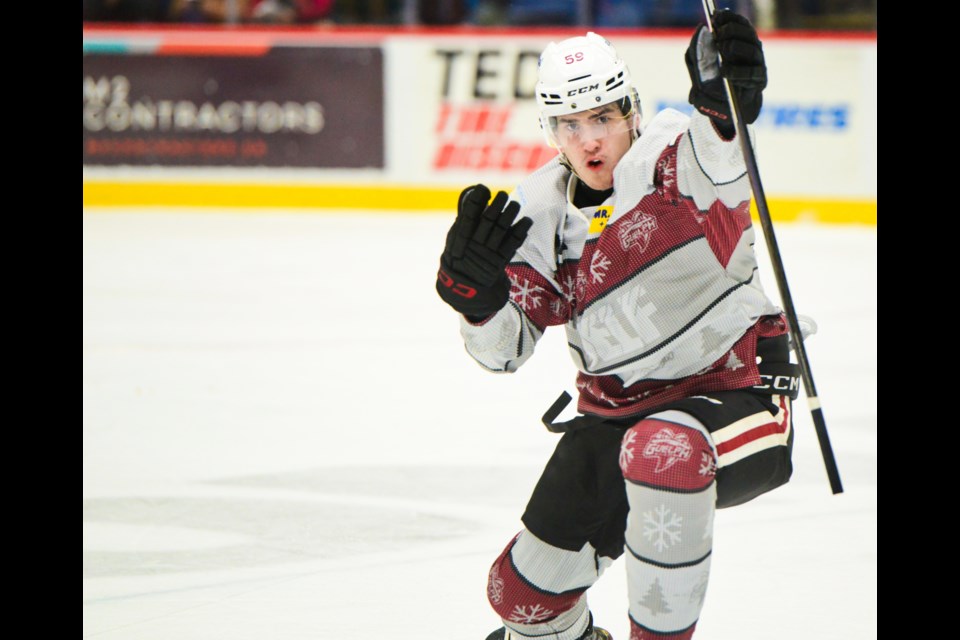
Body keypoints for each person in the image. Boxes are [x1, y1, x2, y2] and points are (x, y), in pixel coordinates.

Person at [435, 10, 804, 640]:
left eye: (602, 117)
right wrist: (478, 301)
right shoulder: (540, 213)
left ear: (631, 110)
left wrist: (724, 108)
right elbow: (503, 352)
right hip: (618, 415)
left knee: (661, 449)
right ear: (551, 130)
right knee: (522, 598)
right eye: (570, 125)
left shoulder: (675, 164)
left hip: (737, 397)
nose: (589, 141)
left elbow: (723, 161)